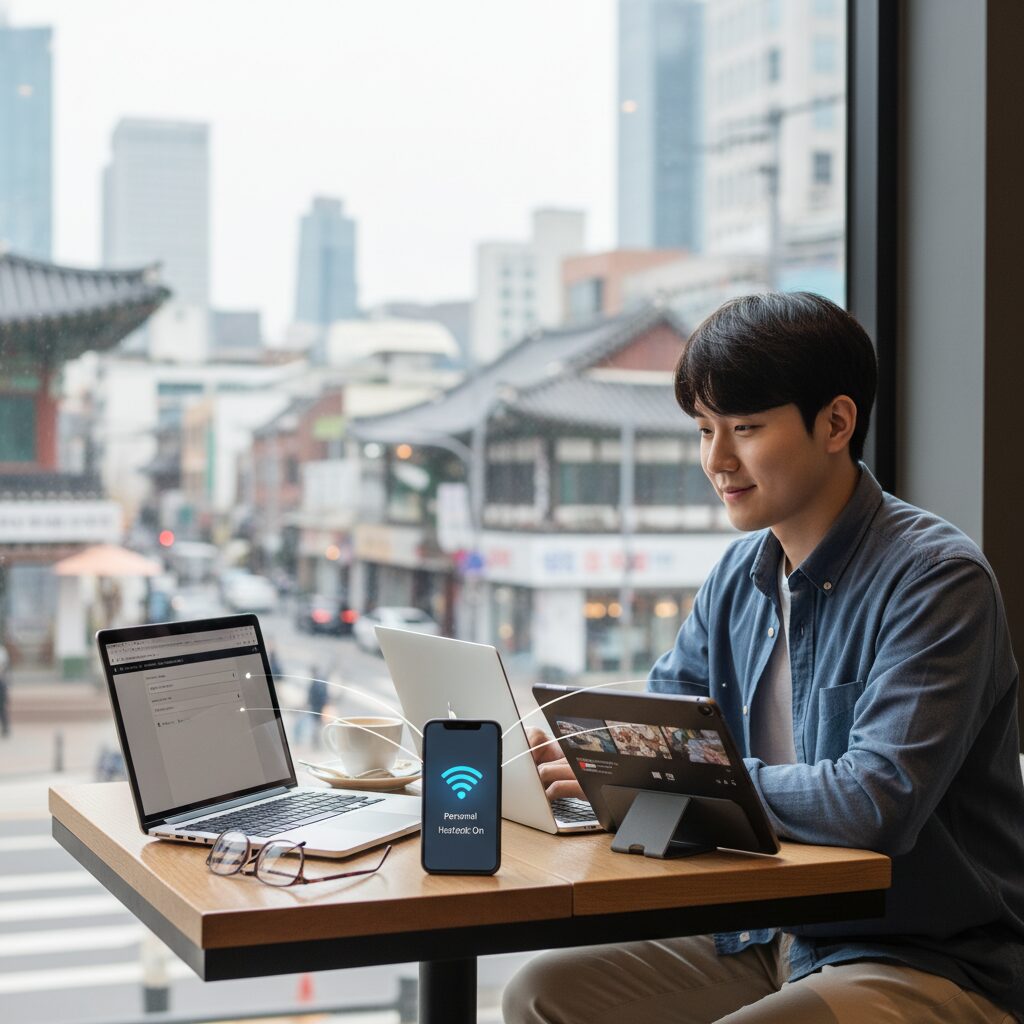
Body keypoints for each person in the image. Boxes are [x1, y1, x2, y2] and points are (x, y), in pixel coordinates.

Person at [505, 293, 1024, 1024]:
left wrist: (696, 780)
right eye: (704, 430)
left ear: (836, 422)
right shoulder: (737, 575)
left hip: (923, 955)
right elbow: (663, 736)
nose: (717, 461)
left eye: (745, 428)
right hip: (766, 933)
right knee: (539, 993)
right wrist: (588, 765)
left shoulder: (936, 578)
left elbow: (876, 801)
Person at [0, 641, 10, 737]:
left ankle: (5, 728)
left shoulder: (2, 651)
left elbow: (3, 666)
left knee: (2, 707)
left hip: (1, 682)